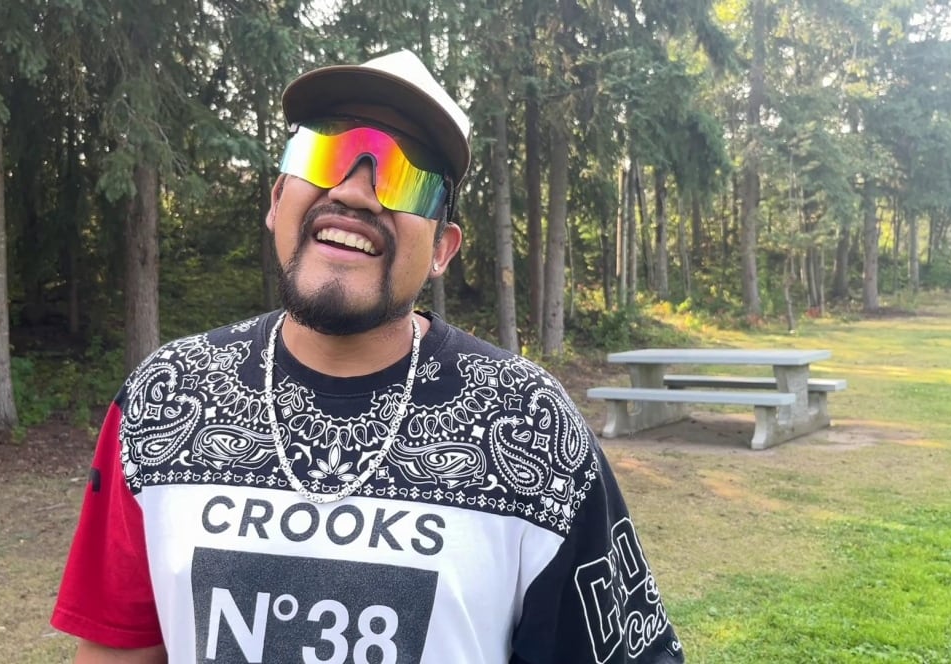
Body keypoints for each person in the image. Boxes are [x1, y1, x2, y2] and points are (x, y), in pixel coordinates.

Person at [51, 50, 684, 664]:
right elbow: (118, 647)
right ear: (276, 200)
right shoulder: (165, 400)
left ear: (443, 249)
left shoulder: (528, 426)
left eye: (405, 174)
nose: (356, 194)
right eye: (325, 152)